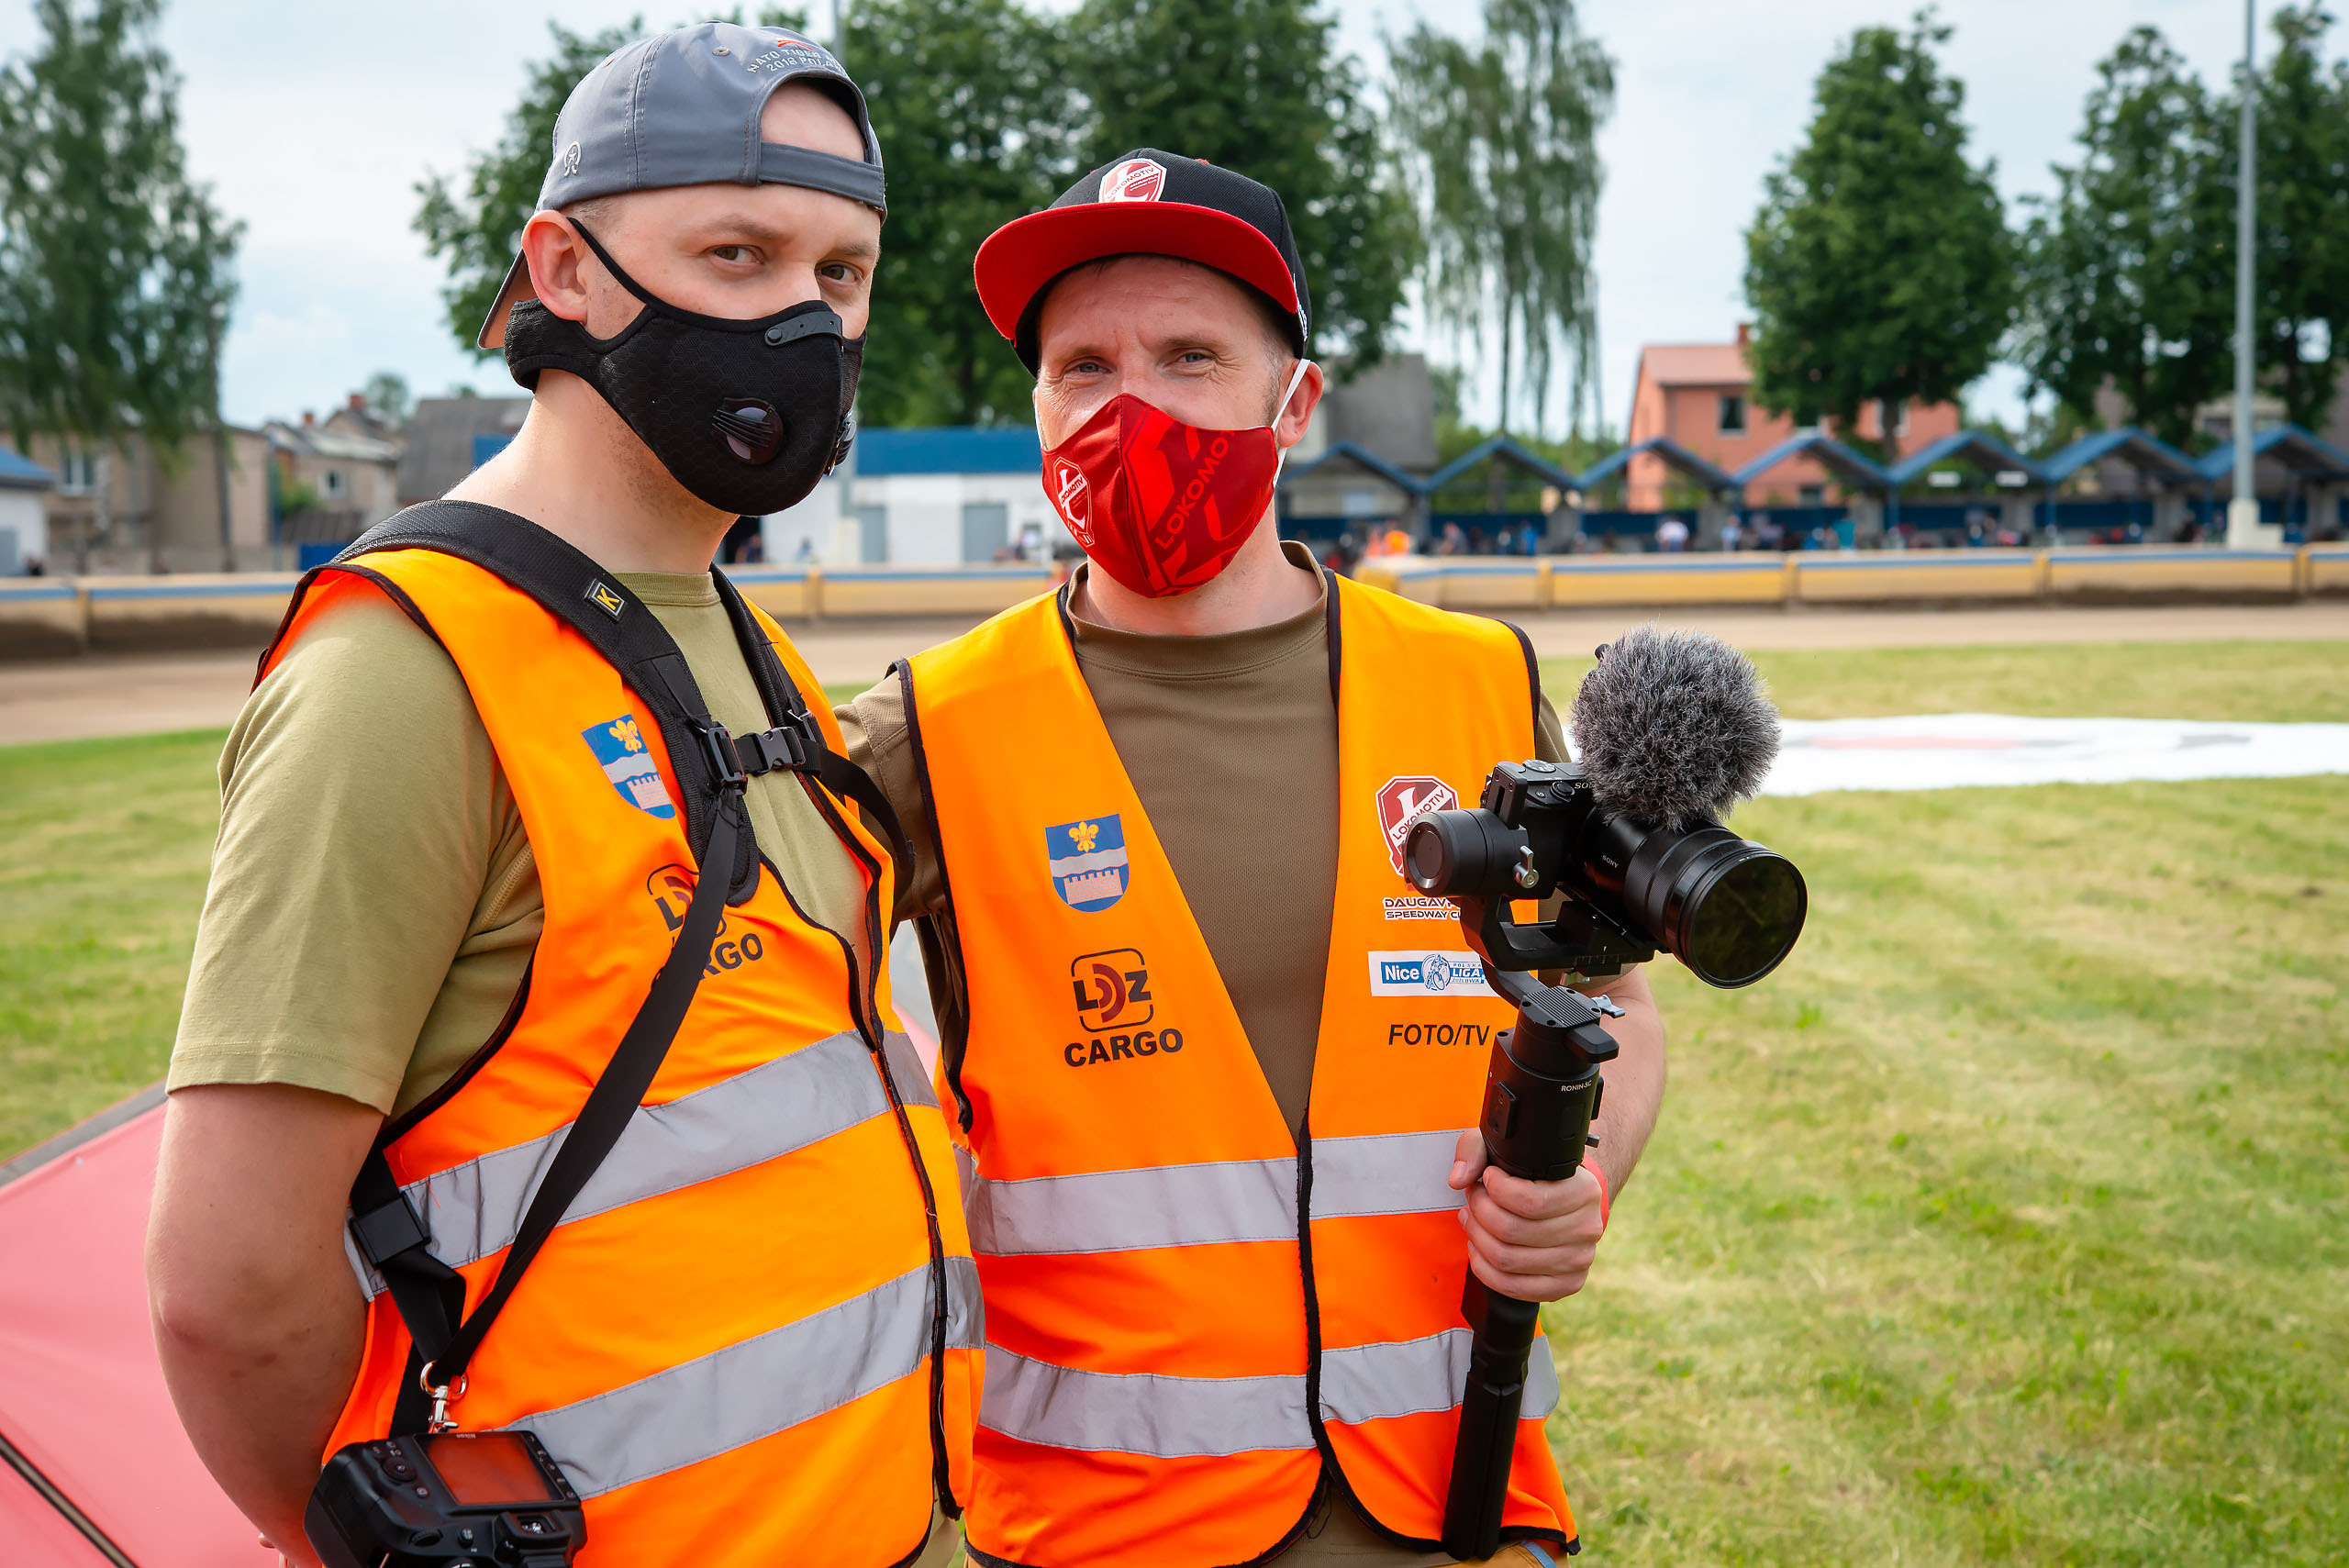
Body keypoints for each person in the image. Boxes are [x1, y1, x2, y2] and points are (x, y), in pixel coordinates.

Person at [144, 25, 978, 1568]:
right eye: (739, 252)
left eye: (843, 274)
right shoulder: (406, 672)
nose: (803, 317)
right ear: (566, 269)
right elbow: (229, 1287)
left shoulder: (741, 639)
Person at [841, 152, 1666, 1567]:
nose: (1128, 408)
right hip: (1097, 1523)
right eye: (1080, 365)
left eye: (1188, 357)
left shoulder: (1477, 686)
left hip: (1452, 1494)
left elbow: (1623, 1016)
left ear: (1297, 401)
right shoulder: (925, 732)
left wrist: (1580, 1188)